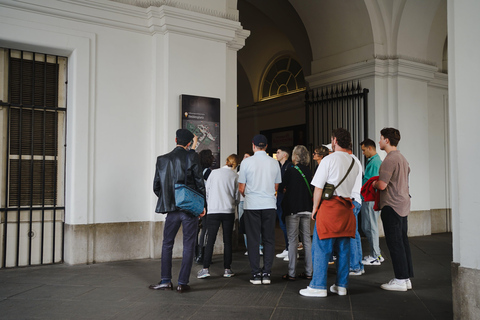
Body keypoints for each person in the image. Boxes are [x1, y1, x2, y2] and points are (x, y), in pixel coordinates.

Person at [299, 128, 359, 297]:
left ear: (334, 141)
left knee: (321, 247)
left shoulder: (329, 160)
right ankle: (341, 286)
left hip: (330, 208)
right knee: (343, 249)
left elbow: (318, 188)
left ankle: (318, 286)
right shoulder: (354, 162)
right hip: (347, 209)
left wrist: (315, 208)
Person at [150, 129, 206, 293]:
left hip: (171, 210)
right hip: (189, 208)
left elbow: (156, 187)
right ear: (189, 143)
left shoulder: (162, 160)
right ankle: (182, 283)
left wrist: (169, 198)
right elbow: (199, 183)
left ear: (175, 140)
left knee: (167, 244)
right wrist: (202, 206)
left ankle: (166, 280)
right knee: (188, 244)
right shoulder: (192, 156)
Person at [373, 128, 413, 292]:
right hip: (403, 204)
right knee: (402, 242)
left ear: (387, 140)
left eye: (381, 138)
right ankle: (406, 278)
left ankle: (400, 279)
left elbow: (382, 185)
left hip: (392, 205)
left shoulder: (390, 159)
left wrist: (373, 184)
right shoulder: (402, 158)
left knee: (394, 243)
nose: (379, 141)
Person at [238, 134, 281, 285]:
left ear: (253, 145)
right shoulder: (274, 163)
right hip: (269, 205)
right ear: (267, 146)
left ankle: (256, 274)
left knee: (253, 240)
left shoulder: (246, 162)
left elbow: (241, 187)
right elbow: (276, 187)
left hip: (252, 206)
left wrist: (250, 193)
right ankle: (267, 273)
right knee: (269, 240)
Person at [197, 154, 239, 279]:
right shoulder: (235, 176)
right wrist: (232, 203)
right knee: (228, 241)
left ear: (226, 161)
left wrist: (211, 204)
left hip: (213, 210)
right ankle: (227, 269)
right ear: (236, 164)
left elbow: (207, 191)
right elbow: (237, 196)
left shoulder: (214, 173)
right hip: (228, 211)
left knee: (210, 240)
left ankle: (205, 269)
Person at [279, 145, 313, 281]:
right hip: (307, 209)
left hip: (293, 209)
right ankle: (309, 272)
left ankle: (292, 273)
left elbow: (281, 188)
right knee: (307, 241)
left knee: (293, 241)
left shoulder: (290, 171)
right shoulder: (309, 172)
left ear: (295, 156)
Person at [360, 139, 384, 266]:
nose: (363, 153)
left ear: (370, 148)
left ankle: (376, 255)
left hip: (369, 199)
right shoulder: (374, 161)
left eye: (364, 150)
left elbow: (370, 182)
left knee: (371, 227)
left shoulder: (375, 163)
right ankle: (377, 254)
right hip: (368, 198)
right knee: (367, 226)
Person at [195, 149, 215, 264]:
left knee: (196, 230)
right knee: (205, 230)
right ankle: (202, 255)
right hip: (206, 203)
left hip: (197, 202)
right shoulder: (208, 172)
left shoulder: (197, 171)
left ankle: (195, 254)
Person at [347, 146, 364, 276]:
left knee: (351, 234)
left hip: (352, 200)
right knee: (355, 233)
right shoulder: (356, 160)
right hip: (357, 199)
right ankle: (358, 265)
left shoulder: (349, 161)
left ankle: (354, 266)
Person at [275, 146, 291, 261]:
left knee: (286, 224)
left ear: (285, 155)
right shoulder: (278, 167)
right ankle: (287, 248)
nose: (277, 154)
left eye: (279, 152)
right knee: (282, 224)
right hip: (279, 197)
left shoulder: (289, 166)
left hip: (286, 198)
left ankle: (291, 249)